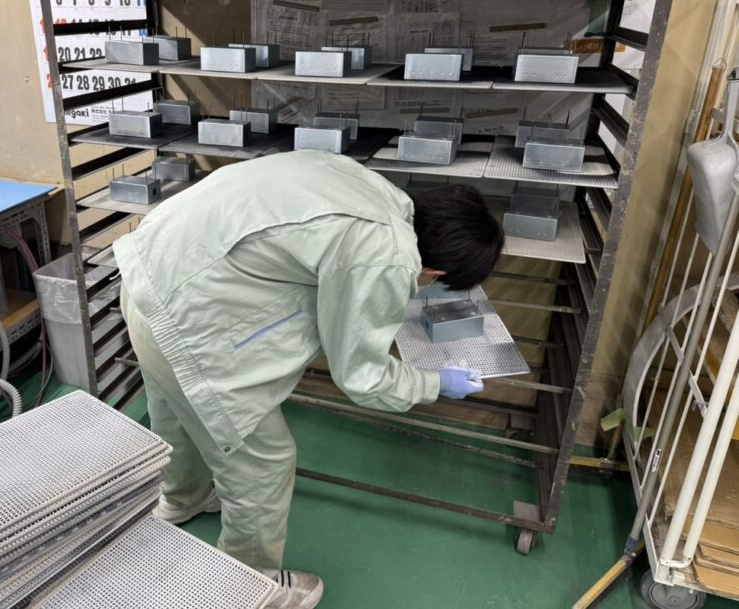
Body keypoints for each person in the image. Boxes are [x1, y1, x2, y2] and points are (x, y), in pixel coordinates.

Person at [115, 150, 503, 608]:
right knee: (263, 465)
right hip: (186, 318)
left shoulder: (370, 186)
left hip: (146, 276)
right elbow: (362, 377)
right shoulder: (388, 254)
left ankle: (183, 498)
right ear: (436, 273)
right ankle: (247, 588)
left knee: (177, 412)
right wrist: (435, 384)